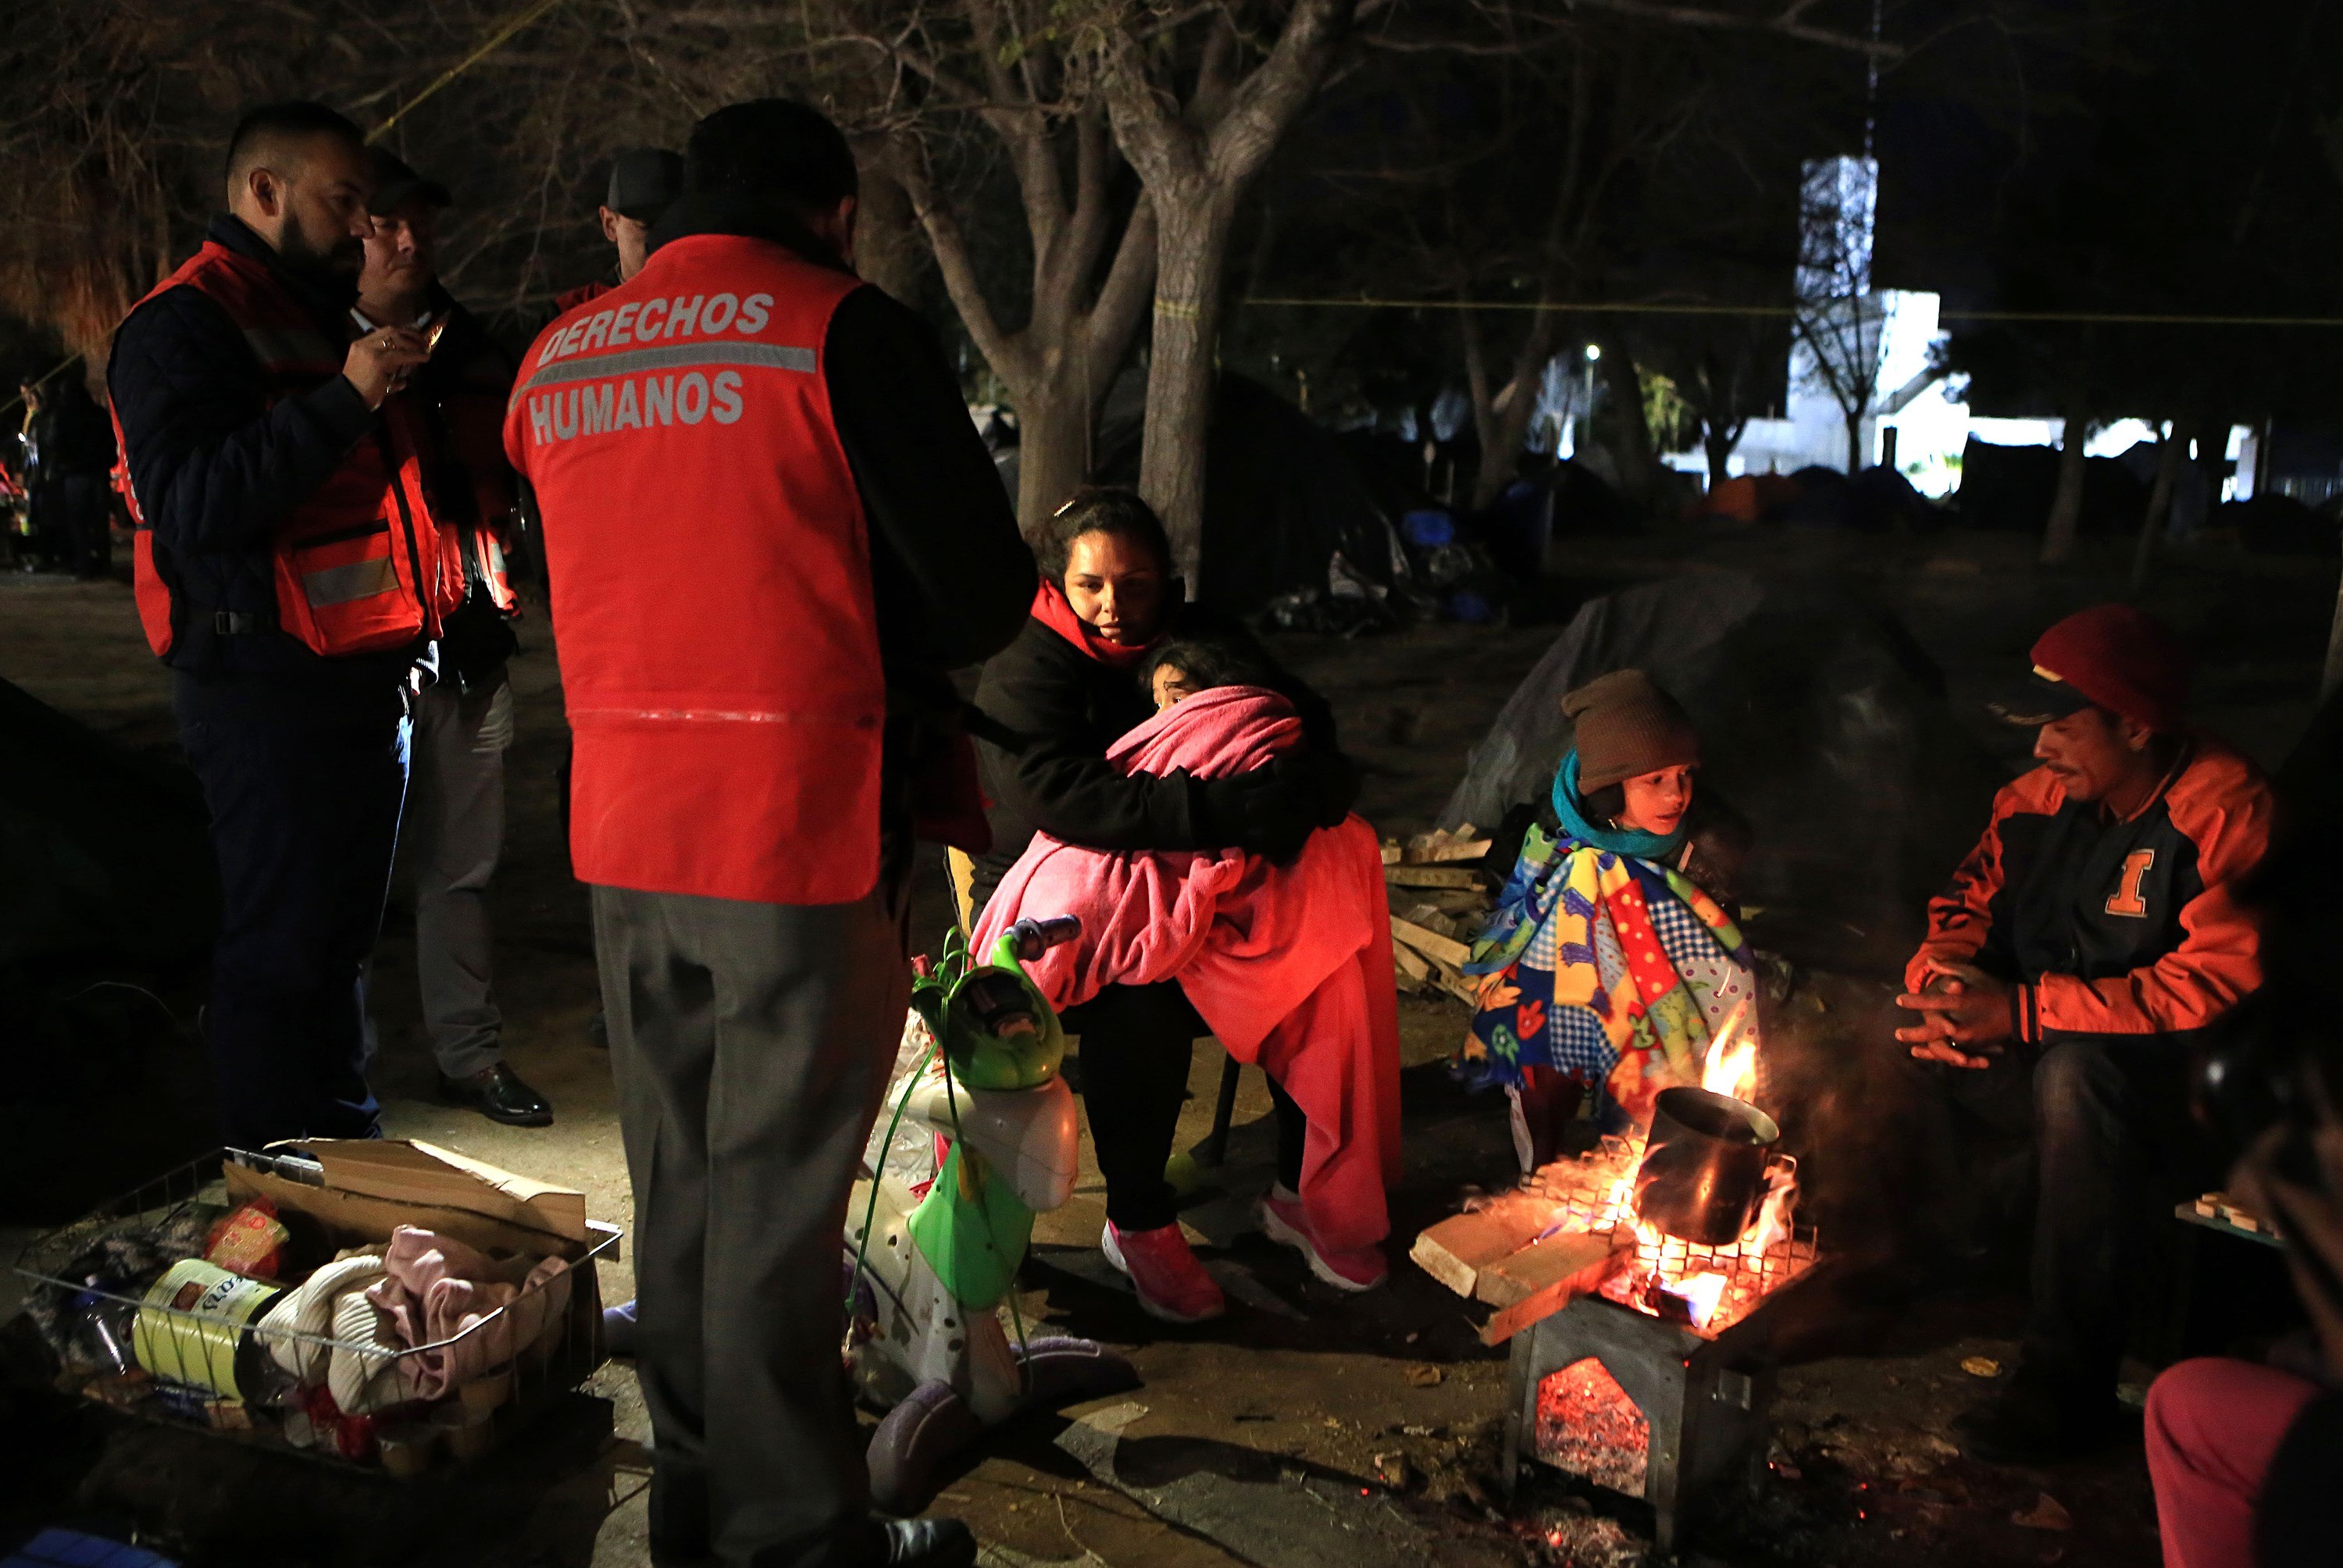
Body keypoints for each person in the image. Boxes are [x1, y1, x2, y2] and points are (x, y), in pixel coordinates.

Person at [503, 98, 1032, 1568]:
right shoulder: (837, 329)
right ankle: (799, 1540)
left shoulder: (563, 356)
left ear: (673, 210)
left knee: (679, 1193)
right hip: (795, 830)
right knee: (779, 1214)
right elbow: (984, 593)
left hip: (621, 828)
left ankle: (694, 1504)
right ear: (835, 213)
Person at [109, 102, 452, 1150]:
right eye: (342, 199)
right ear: (263, 191)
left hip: (360, 680)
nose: (362, 225)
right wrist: (346, 396)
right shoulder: (182, 323)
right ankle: (274, 1184)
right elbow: (193, 504)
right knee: (280, 952)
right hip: (261, 687)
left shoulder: (316, 311)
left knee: (337, 947)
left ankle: (341, 1160)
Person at [1890, 604, 2273, 1464]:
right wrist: (1944, 987)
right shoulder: (2034, 803)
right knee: (1901, 1039)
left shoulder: (2225, 809)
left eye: (2061, 730)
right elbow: (1964, 906)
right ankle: (1938, 1267)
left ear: (2136, 725)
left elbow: (2217, 984)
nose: (2040, 752)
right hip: (2046, 1041)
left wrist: (2027, 1012)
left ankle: (2065, 1384)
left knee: (2078, 1079)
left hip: (2187, 1092)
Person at [970, 488, 1361, 1321]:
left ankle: (1306, 1188)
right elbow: (1059, 795)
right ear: (1060, 584)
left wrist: (1307, 788)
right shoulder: (1026, 663)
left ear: (1167, 581)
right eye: (1093, 586)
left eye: (1136, 584)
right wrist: (1216, 812)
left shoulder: (1198, 636)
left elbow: (1296, 716)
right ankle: (1138, 1219)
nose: (1115, 606)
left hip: (1201, 872)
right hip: (1056, 886)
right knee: (1141, 991)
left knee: (1318, 954)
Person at [353, 150, 551, 1128]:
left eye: (420, 222)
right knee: (344, 881)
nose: (408, 239)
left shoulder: (474, 347)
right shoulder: (306, 352)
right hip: (360, 663)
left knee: (462, 872)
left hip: (470, 651)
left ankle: (467, 1059)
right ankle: (340, 1082)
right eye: (386, 222)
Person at [1460, 669, 1759, 1168]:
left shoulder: (1708, 845)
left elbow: (1716, 950)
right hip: (1567, 982)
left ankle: (1636, 1161)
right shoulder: (1549, 832)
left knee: (1656, 1081)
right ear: (1607, 790)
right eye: (1655, 780)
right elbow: (1515, 921)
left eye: (1685, 774)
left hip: (1658, 995)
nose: (1676, 795)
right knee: (1540, 1053)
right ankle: (1540, 1155)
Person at [555, 147, 683, 312]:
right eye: (645, 226)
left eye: (675, 226)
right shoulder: (564, 315)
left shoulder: (716, 296)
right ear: (610, 225)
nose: (662, 241)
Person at [25, 375, 116, 578]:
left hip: (75, 475)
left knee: (79, 523)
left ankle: (84, 566)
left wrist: (60, 466)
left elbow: (55, 444)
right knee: (100, 523)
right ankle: (104, 563)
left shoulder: (62, 416)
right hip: (98, 474)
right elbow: (110, 442)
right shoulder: (98, 414)